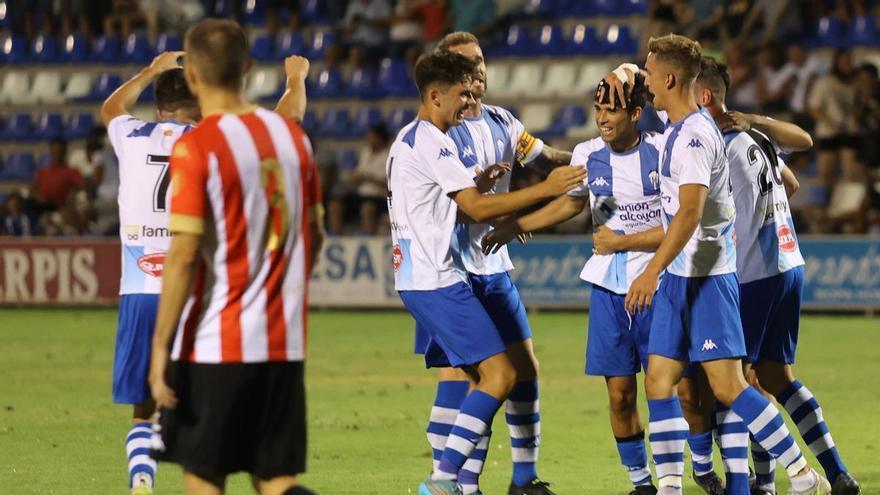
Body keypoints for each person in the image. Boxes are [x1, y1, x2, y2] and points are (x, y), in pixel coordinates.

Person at [620, 34, 828, 495]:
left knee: (731, 386)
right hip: (680, 276)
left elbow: (690, 214)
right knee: (659, 379)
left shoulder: (694, 136)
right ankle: (671, 489)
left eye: (650, 73)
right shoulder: (676, 128)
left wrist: (650, 269)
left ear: (670, 78)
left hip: (707, 278)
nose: (646, 81)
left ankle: (801, 474)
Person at [387, 51, 584, 495]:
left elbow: (454, 200)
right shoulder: (431, 141)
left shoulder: (428, 136)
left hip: (442, 274)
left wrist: (482, 183)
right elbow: (474, 209)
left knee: (503, 373)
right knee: (492, 376)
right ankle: (444, 479)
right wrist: (545, 190)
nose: (470, 98)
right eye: (461, 93)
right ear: (436, 95)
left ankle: (471, 483)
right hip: (435, 276)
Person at [484, 73, 667, 495]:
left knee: (677, 389)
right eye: (598, 109)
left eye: (612, 110)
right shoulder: (588, 154)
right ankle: (643, 485)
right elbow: (572, 202)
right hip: (608, 287)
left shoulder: (661, 151)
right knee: (621, 394)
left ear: (635, 113)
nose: (602, 118)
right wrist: (517, 225)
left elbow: (681, 217)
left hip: (658, 281)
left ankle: (694, 470)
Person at [696, 56, 861, 495]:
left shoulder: (714, 145)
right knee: (775, 378)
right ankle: (837, 471)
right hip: (788, 262)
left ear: (703, 95)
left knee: (735, 382)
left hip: (753, 274)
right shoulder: (754, 136)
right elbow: (791, 181)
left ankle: (762, 484)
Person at [101, 50, 200, 495]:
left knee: (144, 406)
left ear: (159, 107)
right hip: (194, 290)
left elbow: (110, 108)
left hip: (140, 291)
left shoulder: (133, 135)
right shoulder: (208, 140)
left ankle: (142, 476)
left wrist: (149, 70)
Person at [808, 49, 862, 195]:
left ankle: (848, 204)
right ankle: (827, 204)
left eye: (849, 62)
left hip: (850, 131)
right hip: (829, 133)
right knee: (826, 173)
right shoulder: (825, 83)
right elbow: (813, 107)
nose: (847, 65)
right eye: (844, 62)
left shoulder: (857, 83)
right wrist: (831, 123)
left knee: (851, 173)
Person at [32, 138, 85, 211]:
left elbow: (82, 185)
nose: (57, 154)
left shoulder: (71, 171)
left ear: (64, 152)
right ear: (51, 151)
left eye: (60, 151)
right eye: (55, 151)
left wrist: (74, 191)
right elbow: (33, 189)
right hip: (42, 205)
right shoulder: (43, 171)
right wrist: (40, 198)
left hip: (59, 206)